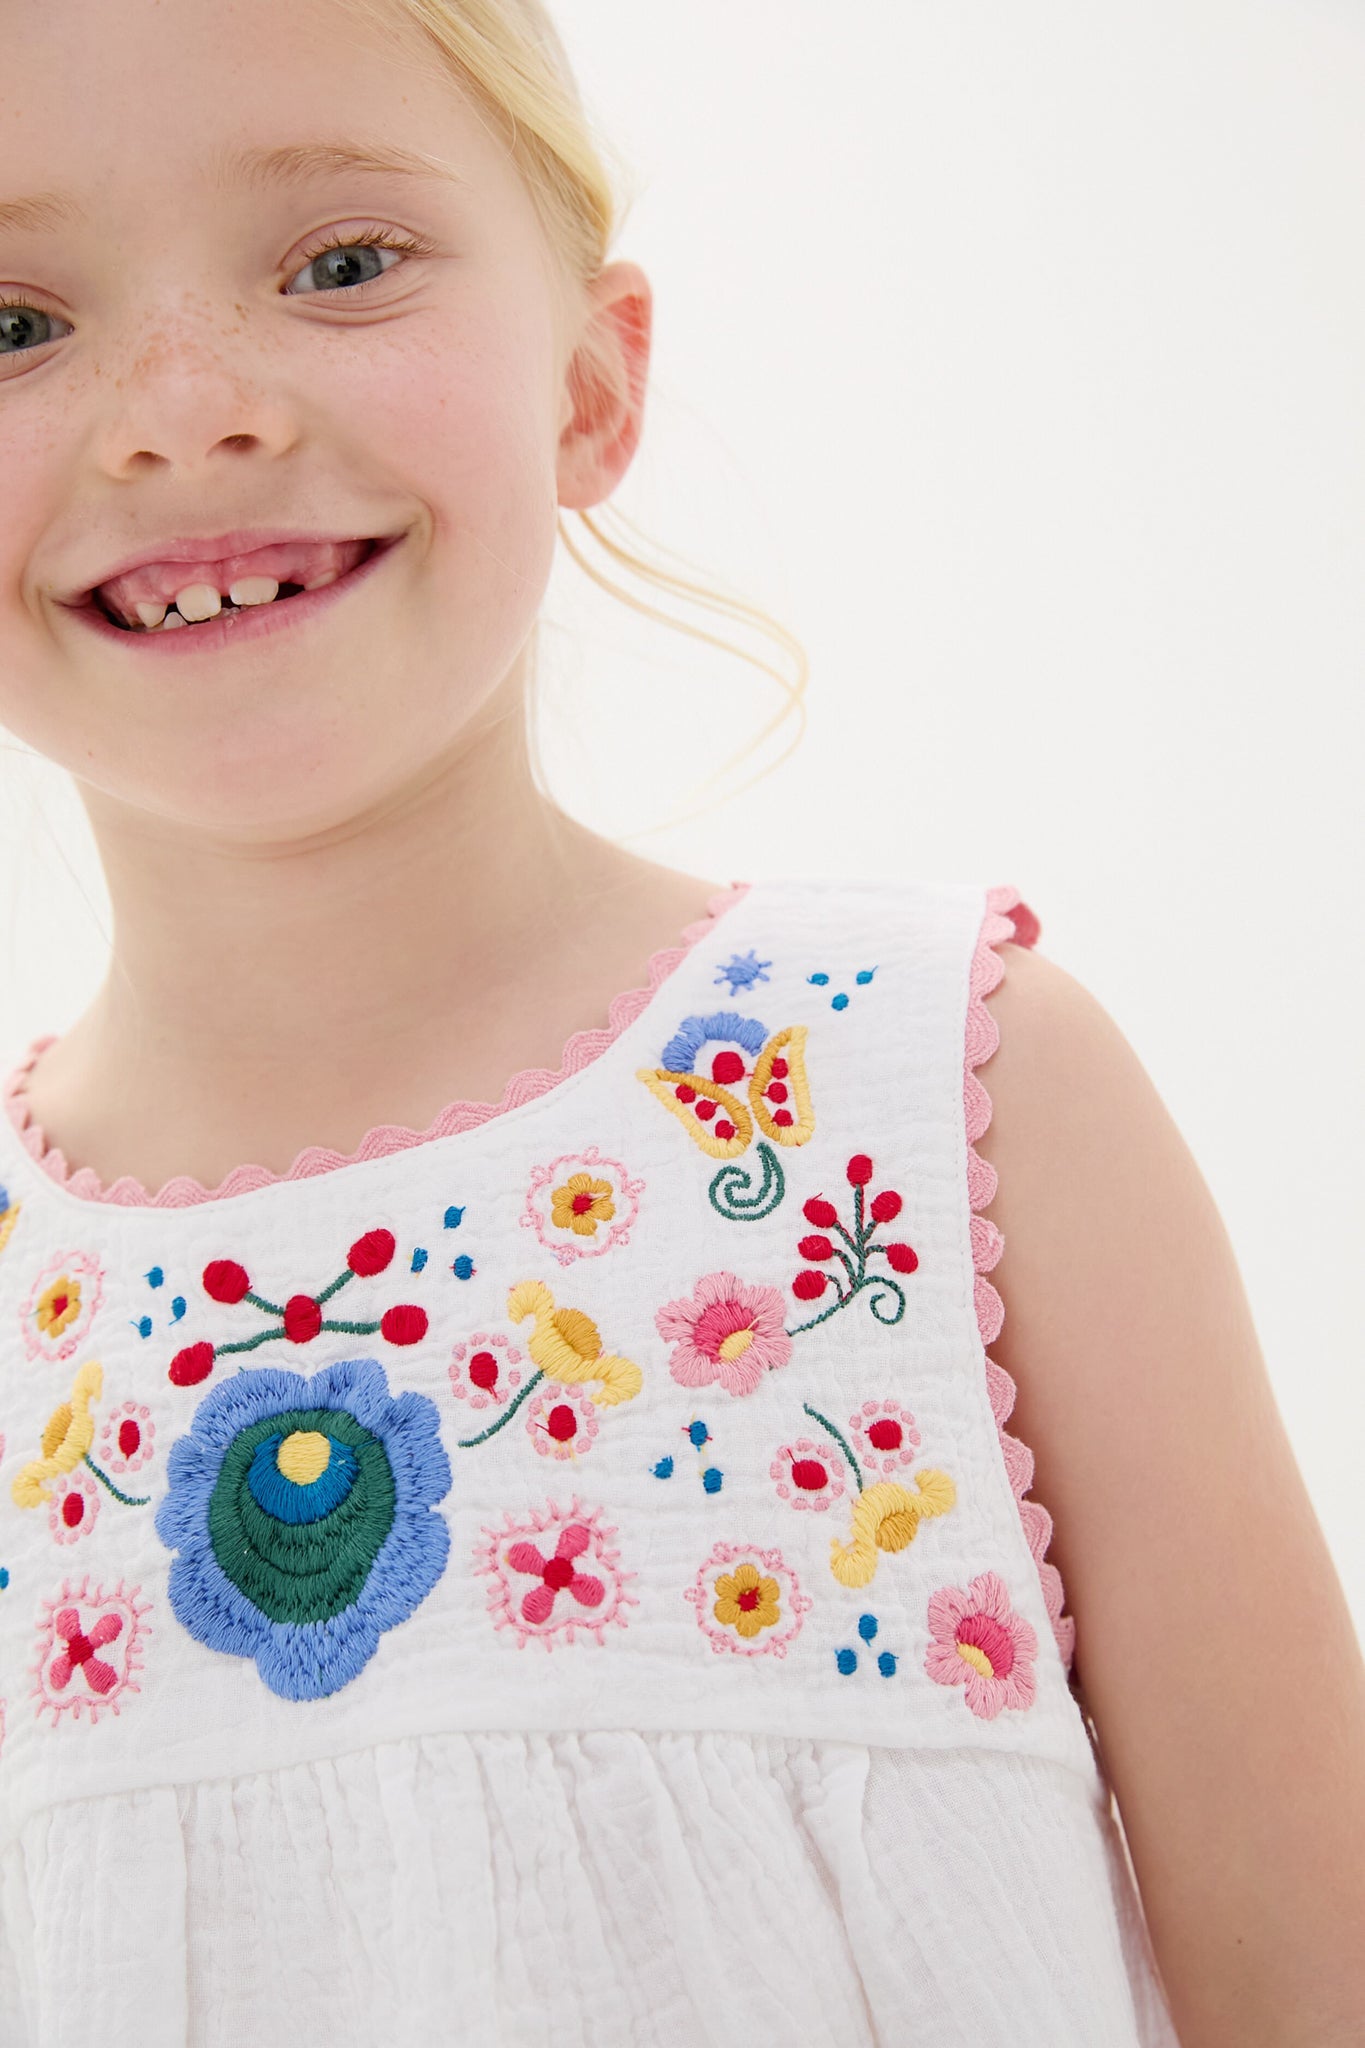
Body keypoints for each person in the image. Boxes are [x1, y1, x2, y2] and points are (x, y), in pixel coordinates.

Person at [0, 1, 1361, 2043]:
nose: (182, 415)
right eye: (12, 325)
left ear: (592, 382)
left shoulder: (943, 1100)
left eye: (342, 264)